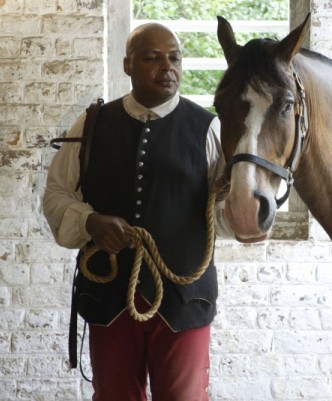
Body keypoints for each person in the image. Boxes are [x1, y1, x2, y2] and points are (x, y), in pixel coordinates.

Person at [43, 23, 231, 401]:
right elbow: (56, 195)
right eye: (152, 58)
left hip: (185, 298)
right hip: (110, 297)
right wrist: (91, 222)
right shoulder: (92, 124)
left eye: (174, 58)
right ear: (128, 65)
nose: (167, 67)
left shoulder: (208, 129)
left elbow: (228, 215)